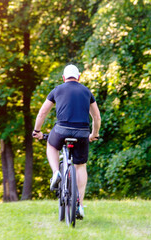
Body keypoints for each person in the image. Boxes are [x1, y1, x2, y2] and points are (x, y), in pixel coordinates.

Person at [32, 64, 101, 219]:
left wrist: (37, 131)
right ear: (79, 77)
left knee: (51, 144)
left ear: (64, 78)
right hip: (82, 132)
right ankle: (80, 205)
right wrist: (93, 134)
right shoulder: (86, 91)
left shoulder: (57, 89)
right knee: (80, 165)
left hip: (61, 130)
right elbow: (96, 117)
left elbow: (42, 112)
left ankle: (56, 172)